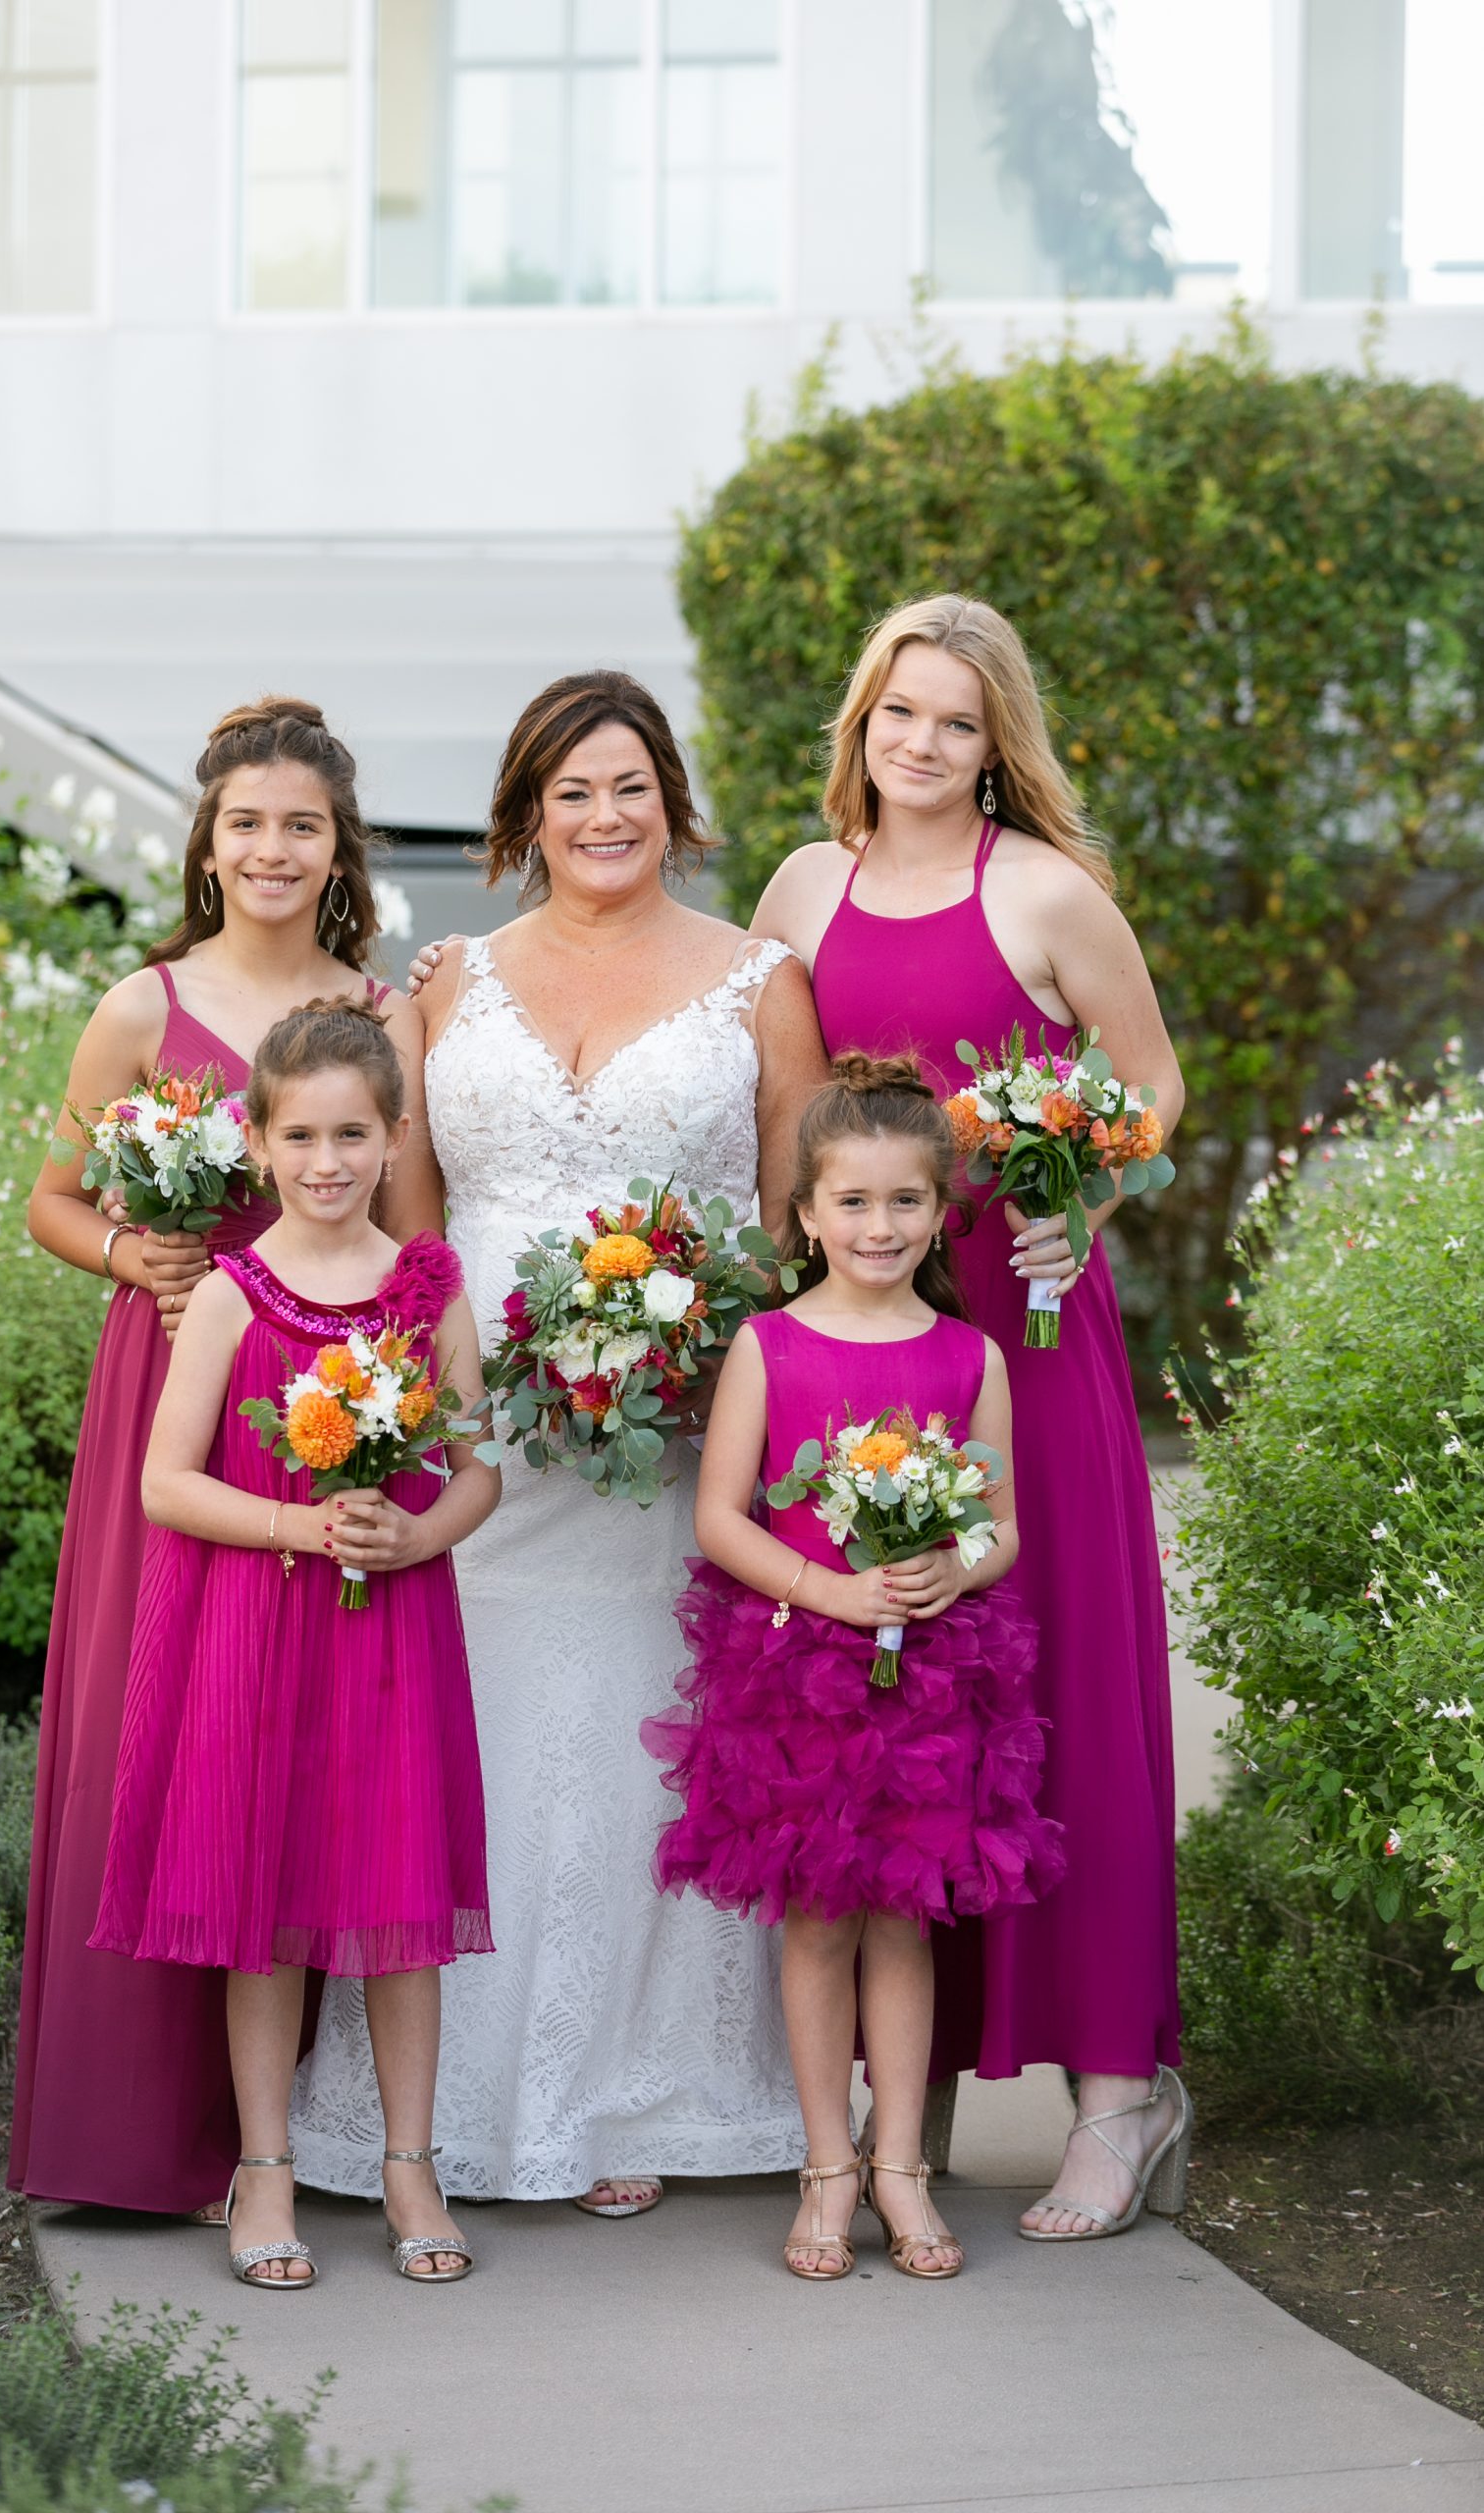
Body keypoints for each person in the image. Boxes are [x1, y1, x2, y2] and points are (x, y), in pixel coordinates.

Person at [291, 668, 828, 2213]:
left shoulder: (759, 982)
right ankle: (445, 2103)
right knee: (473, 1735)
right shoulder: (447, 980)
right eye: (570, 792)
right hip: (482, 1432)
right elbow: (411, 1221)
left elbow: (795, 1221)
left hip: (676, 1428)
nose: (603, 817)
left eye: (628, 788)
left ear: (671, 803)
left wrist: (707, 1363)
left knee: (635, 1736)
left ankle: (629, 2097)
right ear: (525, 816)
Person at [751, 593, 1191, 2242]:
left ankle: (1118, 2097)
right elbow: (774, 1107)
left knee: (1061, 1696)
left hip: (1026, 1335)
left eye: (953, 719)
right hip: (858, 1348)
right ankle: (906, 2093)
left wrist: (1087, 1198)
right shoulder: (803, 888)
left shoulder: (1049, 893)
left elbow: (1148, 1089)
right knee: (893, 1701)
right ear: (859, 722)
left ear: (995, 740)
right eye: (897, 713)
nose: (920, 744)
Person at [10, 698, 443, 2219]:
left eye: (300, 826)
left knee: (302, 1755)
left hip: (339, 1408)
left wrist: (399, 1422)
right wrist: (136, 1255)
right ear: (207, 842)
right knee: (158, 1730)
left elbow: (418, 1236)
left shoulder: (382, 1014)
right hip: (181, 1394)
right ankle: (137, 2140)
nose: (271, 848)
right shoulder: (142, 1006)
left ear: (339, 850)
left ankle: (299, 2137)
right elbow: (54, 1200)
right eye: (246, 823)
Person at [91, 997, 497, 2287]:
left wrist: (416, 1536)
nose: (328, 1162)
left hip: (393, 1636)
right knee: (261, 1905)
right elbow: (164, 1482)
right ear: (258, 1142)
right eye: (302, 1137)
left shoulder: (429, 1289)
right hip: (257, 1636)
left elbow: (479, 1471)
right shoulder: (229, 1296)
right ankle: (264, 2165)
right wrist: (299, 1525)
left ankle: (409, 2163)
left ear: (394, 1139)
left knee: (401, 1901)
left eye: (353, 1135)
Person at [646, 1055, 1067, 2279]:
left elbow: (1001, 1527)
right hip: (797, 1674)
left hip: (933, 1681)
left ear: (940, 1212)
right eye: (853, 1201)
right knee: (821, 1920)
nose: (879, 1226)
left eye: (905, 1201)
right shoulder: (770, 1345)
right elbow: (720, 1516)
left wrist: (953, 1570)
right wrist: (828, 1588)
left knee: (903, 1923)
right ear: (807, 1212)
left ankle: (901, 2167)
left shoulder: (970, 1356)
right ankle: (828, 2166)